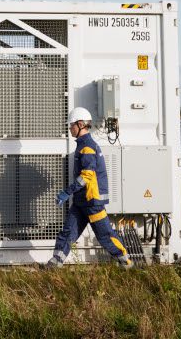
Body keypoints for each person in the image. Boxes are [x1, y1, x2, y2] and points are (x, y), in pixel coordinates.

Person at [45, 107, 132, 268]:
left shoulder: (87, 146)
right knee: (68, 232)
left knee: (105, 235)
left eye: (71, 125)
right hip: (81, 201)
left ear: (80, 124)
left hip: (92, 202)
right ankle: (55, 262)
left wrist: (66, 192)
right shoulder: (82, 145)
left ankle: (125, 262)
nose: (69, 128)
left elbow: (87, 175)